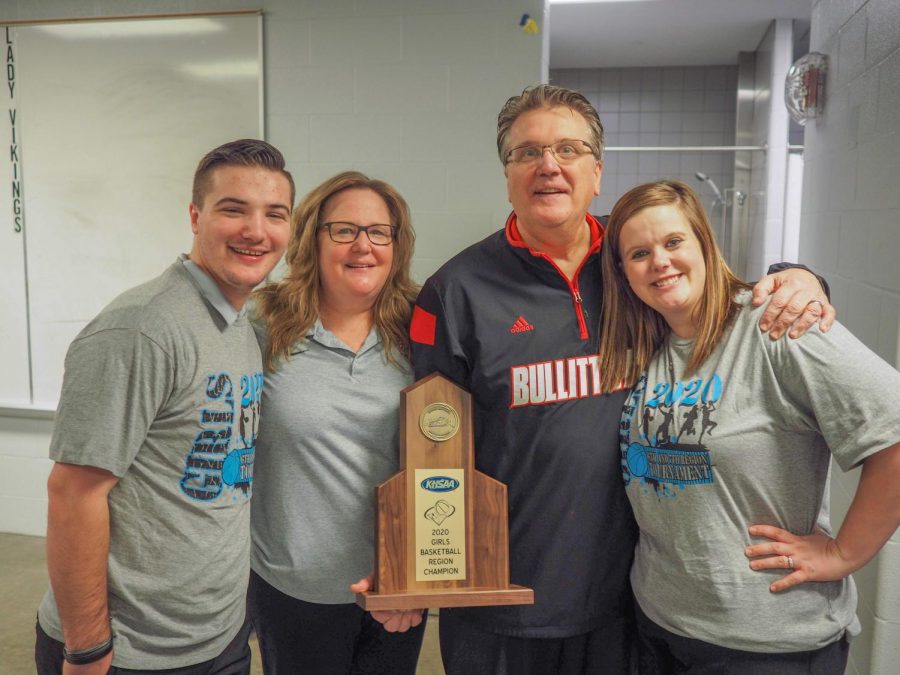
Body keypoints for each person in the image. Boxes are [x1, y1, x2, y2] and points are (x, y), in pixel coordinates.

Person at [406, 85, 834, 674]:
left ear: (597, 171)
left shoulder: (640, 259)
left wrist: (799, 276)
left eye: (567, 149)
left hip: (630, 597)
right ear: (506, 173)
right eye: (527, 152)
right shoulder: (454, 292)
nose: (548, 165)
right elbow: (428, 453)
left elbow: (730, 296)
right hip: (499, 597)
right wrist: (416, 563)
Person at [597, 180, 900, 674]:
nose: (660, 261)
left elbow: (894, 432)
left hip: (768, 640)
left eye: (674, 242)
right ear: (624, 273)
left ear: (704, 244)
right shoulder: (646, 343)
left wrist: (844, 553)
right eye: (639, 252)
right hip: (659, 623)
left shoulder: (777, 326)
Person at [35, 139, 295, 674]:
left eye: (275, 214)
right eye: (233, 209)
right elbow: (73, 495)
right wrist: (87, 650)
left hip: (218, 638)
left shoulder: (240, 323)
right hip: (131, 654)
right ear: (195, 216)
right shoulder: (141, 330)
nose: (256, 230)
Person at [247, 171, 426, 674]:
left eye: (378, 232)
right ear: (313, 239)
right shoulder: (264, 325)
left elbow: (448, 461)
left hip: (396, 587)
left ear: (396, 244)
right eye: (343, 230)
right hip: (292, 588)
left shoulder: (422, 329)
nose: (362, 246)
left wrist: (415, 579)